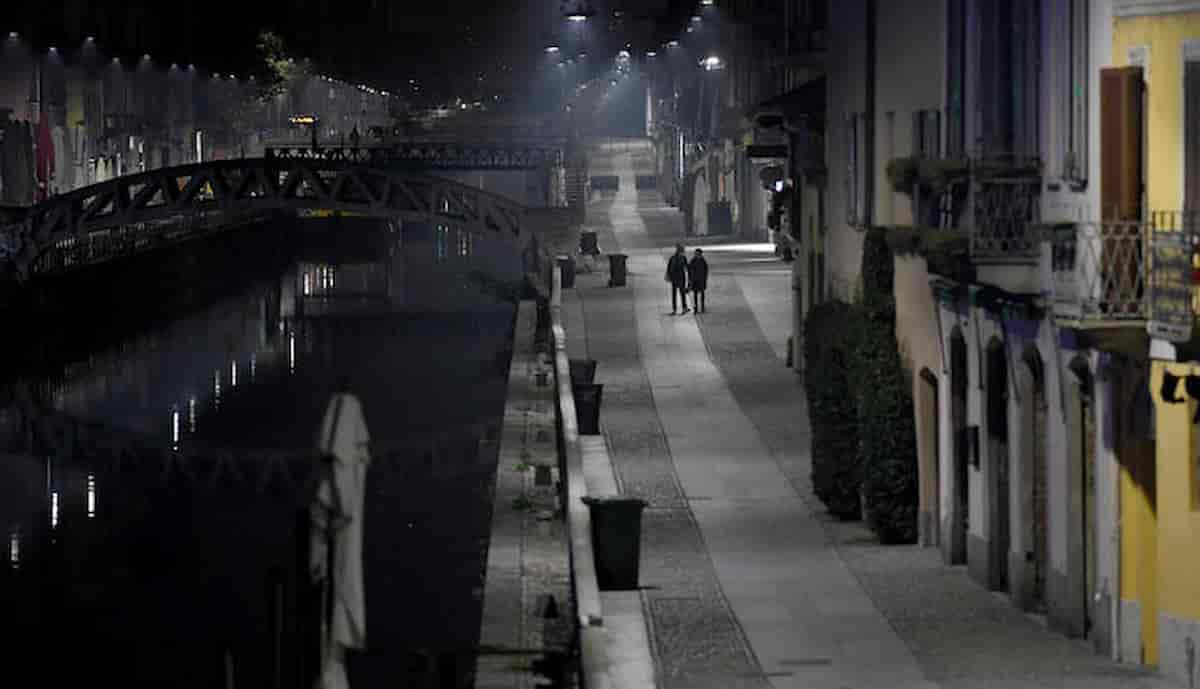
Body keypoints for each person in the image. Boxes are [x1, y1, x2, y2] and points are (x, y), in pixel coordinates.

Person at [665, 244, 690, 314]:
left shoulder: (672, 258)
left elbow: (669, 268)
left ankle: (674, 309)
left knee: (674, 294)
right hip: (681, 277)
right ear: (681, 251)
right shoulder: (683, 258)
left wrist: (669, 275)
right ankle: (684, 308)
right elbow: (687, 267)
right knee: (682, 293)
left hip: (674, 277)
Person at [688, 248, 708, 313]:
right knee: (695, 294)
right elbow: (689, 269)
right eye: (696, 253)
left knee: (702, 293)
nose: (696, 254)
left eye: (698, 253)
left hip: (701, 280)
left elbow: (706, 270)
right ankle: (696, 308)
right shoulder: (693, 260)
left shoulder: (703, 260)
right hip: (695, 280)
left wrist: (705, 278)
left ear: (700, 254)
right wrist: (690, 279)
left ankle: (702, 307)